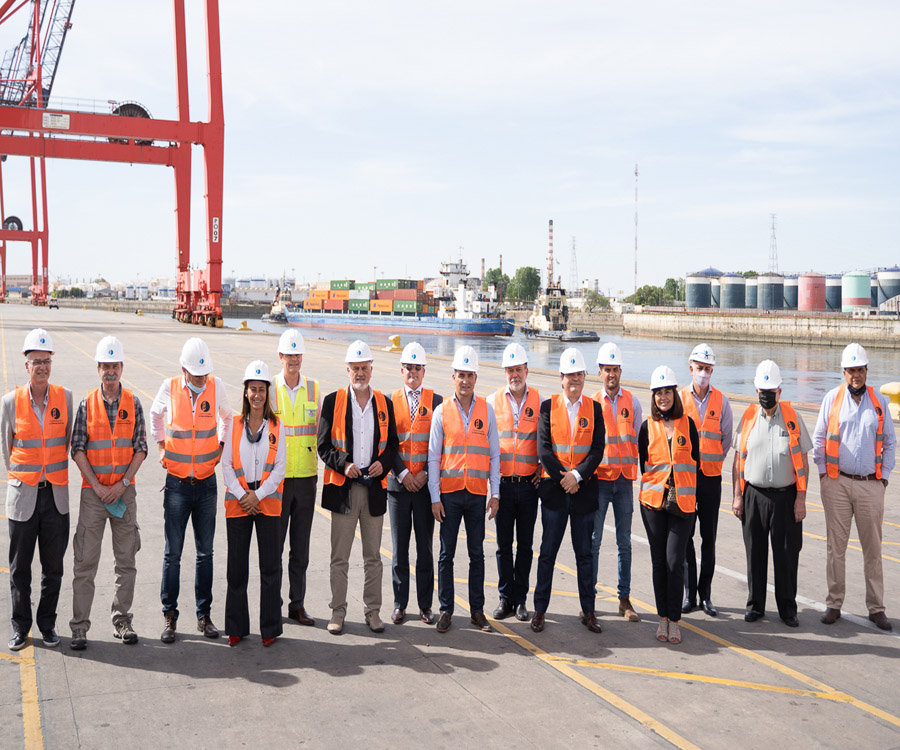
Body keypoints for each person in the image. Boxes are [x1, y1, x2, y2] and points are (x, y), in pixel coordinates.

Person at [150, 337, 232, 643]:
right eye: (195, 374)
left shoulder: (216, 386)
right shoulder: (169, 387)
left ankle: (204, 615)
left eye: (204, 374)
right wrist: (161, 446)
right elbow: (155, 414)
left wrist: (220, 447)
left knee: (205, 553)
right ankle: (169, 616)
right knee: (173, 554)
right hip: (177, 484)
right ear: (183, 369)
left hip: (206, 485)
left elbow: (228, 418)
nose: (201, 379)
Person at [69, 336, 147, 650]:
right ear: (98, 369)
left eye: (115, 366)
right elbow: (77, 449)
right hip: (93, 495)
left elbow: (140, 449)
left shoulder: (134, 402)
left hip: (124, 495)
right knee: (85, 563)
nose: (111, 371)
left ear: (121, 367)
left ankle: (122, 621)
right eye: (106, 366)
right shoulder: (87, 404)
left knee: (125, 561)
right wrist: (99, 487)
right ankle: (79, 627)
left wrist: (122, 484)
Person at [813, 343, 896, 631]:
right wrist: (824, 475)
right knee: (835, 548)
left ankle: (876, 608)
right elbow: (820, 440)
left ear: (866, 371)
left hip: (870, 485)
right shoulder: (832, 399)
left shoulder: (879, 402)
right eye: (851, 370)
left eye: (860, 369)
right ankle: (834, 603)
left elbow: (889, 443)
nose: (856, 375)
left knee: (873, 549)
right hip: (837, 484)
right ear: (843, 372)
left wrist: (883, 477)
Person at [318, 340, 398, 635]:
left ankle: (373, 612)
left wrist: (383, 465)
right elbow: (323, 446)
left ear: (371, 369)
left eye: (365, 368)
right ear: (347, 370)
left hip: (374, 490)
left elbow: (392, 445)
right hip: (344, 489)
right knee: (339, 557)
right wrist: (344, 464)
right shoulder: (333, 401)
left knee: (373, 557)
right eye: (356, 368)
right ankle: (338, 612)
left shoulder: (384, 403)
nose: (360, 373)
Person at [2, 329, 73, 651]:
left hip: (56, 497)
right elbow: (7, 449)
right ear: (26, 363)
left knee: (53, 569)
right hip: (24, 496)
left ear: (51, 362)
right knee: (20, 570)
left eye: (46, 361)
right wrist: (24, 478)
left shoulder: (65, 398)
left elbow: (71, 442)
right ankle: (20, 627)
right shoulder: (9, 402)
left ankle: (47, 624)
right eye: (36, 361)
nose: (42, 366)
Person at [532, 348, 605, 634]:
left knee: (584, 555)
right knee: (547, 553)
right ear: (560, 378)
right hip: (554, 492)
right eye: (569, 375)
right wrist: (564, 478)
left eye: (578, 374)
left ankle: (589, 611)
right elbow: (543, 449)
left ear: (584, 377)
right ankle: (540, 611)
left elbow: (598, 449)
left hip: (583, 492)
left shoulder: (594, 408)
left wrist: (577, 476)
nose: (574, 379)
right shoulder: (548, 407)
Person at [427, 346, 500, 634]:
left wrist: (496, 494)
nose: (466, 381)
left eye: (470, 375)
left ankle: (477, 611)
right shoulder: (441, 412)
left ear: (476, 377)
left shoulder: (487, 410)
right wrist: (435, 497)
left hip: (477, 496)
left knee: (476, 554)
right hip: (450, 495)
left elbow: (494, 455)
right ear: (453, 377)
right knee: (446, 554)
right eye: (461, 375)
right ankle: (446, 609)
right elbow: (434, 457)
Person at [732, 360, 810, 627]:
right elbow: (737, 460)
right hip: (753, 494)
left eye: (771, 391)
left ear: (780, 391)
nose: (766, 395)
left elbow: (803, 462)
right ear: (756, 390)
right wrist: (737, 496)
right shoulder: (748, 417)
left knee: (787, 555)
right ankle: (755, 606)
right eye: (762, 390)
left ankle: (788, 609)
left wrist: (801, 498)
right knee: (755, 553)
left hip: (786, 496)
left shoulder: (793, 418)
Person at [222, 361, 286, 647]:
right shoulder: (234, 426)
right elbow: (225, 466)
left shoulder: (276, 426)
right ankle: (236, 627)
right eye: (252, 390)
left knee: (270, 568)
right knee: (237, 568)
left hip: (267, 504)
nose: (257, 395)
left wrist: (257, 497)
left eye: (261, 390)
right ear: (245, 393)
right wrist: (243, 496)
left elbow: (280, 468)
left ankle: (270, 629)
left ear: (267, 393)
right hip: (238, 504)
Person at [638, 366, 699, 645]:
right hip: (653, 504)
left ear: (675, 393)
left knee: (675, 562)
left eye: (667, 392)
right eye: (658, 393)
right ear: (653, 396)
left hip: (684, 504)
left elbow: (694, 462)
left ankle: (675, 620)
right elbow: (645, 465)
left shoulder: (689, 425)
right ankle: (662, 618)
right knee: (659, 562)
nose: (663, 397)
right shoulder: (646, 426)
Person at [388, 342, 442, 625]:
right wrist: (403, 474)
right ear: (402, 370)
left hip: (424, 488)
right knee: (399, 550)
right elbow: (386, 444)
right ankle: (400, 604)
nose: (413, 372)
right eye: (409, 367)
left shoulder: (436, 401)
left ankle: (424, 605)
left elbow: (439, 446)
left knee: (424, 549)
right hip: (398, 488)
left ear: (424, 371)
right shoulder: (389, 400)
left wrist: (423, 476)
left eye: (417, 367)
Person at [487, 343, 541, 623]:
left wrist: (542, 467)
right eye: (510, 370)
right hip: (504, 486)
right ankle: (505, 597)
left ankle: (521, 599)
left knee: (526, 545)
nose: (514, 375)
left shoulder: (540, 401)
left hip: (529, 487)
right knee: (503, 545)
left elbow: (547, 440)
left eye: (518, 369)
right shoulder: (492, 401)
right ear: (505, 372)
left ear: (526, 370)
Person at [271, 329, 320, 627]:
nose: (293, 360)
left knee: (300, 548)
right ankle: (273, 604)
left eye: (297, 354)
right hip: (276, 482)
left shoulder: (314, 390)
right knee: (274, 548)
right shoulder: (269, 388)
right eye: (289, 355)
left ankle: (297, 605)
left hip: (305, 479)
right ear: (280, 357)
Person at [680, 343, 732, 617]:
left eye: (708, 369)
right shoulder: (679, 399)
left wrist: (710, 461)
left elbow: (726, 439)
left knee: (708, 539)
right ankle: (689, 594)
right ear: (691, 368)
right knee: (687, 536)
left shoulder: (721, 401)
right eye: (699, 368)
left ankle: (706, 595)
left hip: (711, 479)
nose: (703, 373)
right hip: (687, 478)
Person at [591, 342, 641, 623]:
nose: (612, 374)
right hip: (599, 481)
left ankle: (624, 599)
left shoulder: (632, 402)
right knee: (594, 541)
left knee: (624, 542)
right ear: (600, 372)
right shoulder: (592, 403)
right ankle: (590, 598)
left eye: (615, 369)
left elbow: (637, 440)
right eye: (607, 370)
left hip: (623, 482)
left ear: (621, 371)